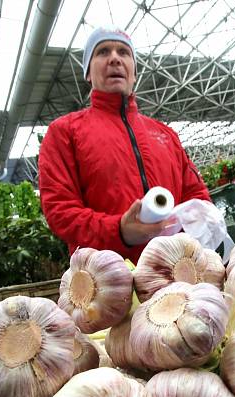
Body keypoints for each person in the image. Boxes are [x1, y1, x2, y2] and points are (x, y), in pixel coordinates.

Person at [38, 27, 211, 262]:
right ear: (88, 72)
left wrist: (201, 219)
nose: (114, 58)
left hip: (175, 274)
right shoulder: (65, 132)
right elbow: (60, 211)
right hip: (105, 282)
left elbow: (197, 196)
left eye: (123, 52)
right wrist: (119, 231)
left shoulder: (165, 134)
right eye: (102, 52)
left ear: (134, 71)